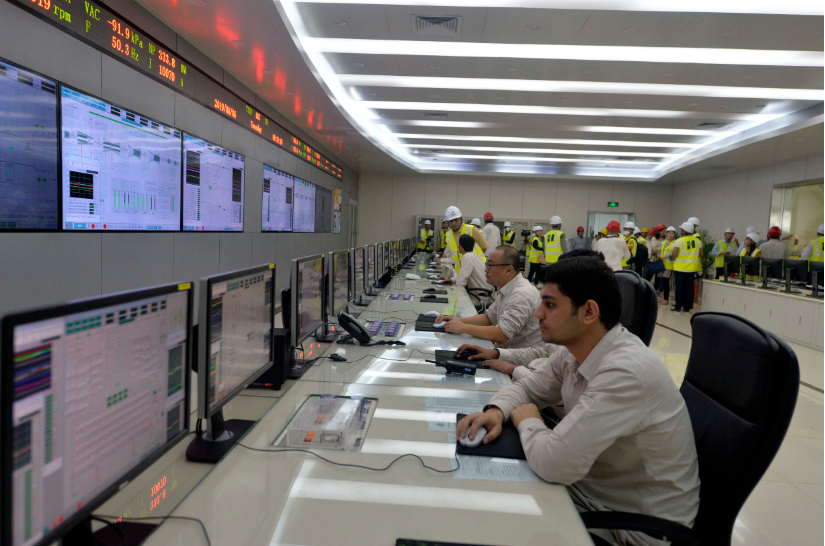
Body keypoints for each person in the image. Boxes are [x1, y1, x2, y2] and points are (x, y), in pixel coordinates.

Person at [456, 256, 699, 546]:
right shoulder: (575, 350)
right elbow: (529, 389)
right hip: (591, 494)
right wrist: (496, 411)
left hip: (631, 528)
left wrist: (528, 419)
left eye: (550, 304)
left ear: (588, 312)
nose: (538, 314)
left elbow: (554, 463)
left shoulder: (625, 373)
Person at [436, 246, 542, 349]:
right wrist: (458, 320)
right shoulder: (507, 288)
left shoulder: (522, 294)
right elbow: (489, 318)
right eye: (486, 264)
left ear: (509, 270)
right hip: (506, 353)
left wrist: (463, 328)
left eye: (490, 266)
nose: (486, 270)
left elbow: (501, 335)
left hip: (522, 362)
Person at [437, 206, 487, 274]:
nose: (454, 223)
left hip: (476, 270)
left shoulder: (472, 229)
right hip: (460, 272)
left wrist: (475, 261)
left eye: (456, 220)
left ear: (461, 219)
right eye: (451, 221)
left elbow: (484, 247)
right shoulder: (448, 235)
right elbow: (454, 255)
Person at [670, 222, 703, 313]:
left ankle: (678, 307)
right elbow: (701, 254)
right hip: (691, 268)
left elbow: (675, 254)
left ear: (684, 231)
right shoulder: (698, 241)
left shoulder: (679, 241)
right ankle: (687, 307)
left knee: (679, 288)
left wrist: (673, 256)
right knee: (689, 289)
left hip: (680, 268)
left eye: (682, 229)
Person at [657, 226, 677, 304]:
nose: (670, 235)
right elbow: (662, 252)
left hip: (670, 265)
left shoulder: (676, 243)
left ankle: (666, 300)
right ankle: (665, 298)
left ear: (674, 234)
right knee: (663, 281)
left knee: (666, 282)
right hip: (662, 264)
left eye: (672, 233)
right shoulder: (664, 242)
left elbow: (675, 255)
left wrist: (666, 256)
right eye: (669, 233)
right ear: (666, 234)